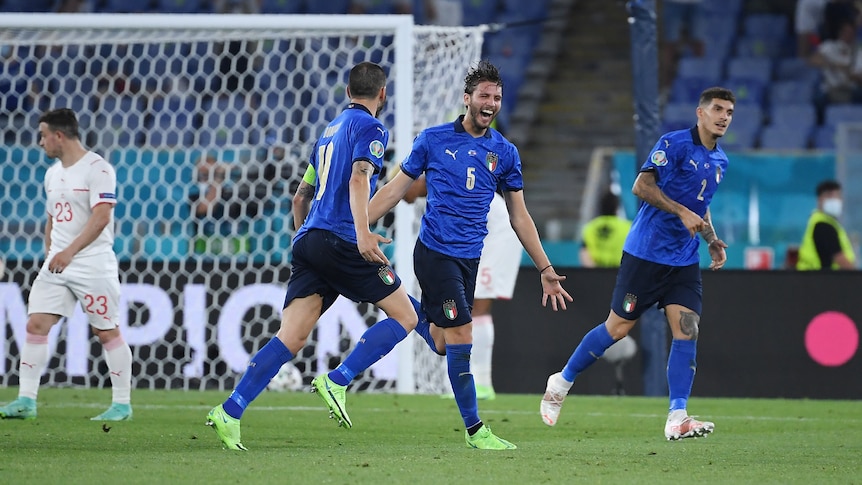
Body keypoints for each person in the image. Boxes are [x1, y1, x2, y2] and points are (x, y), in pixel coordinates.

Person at [206, 62, 423, 451]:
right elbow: (360, 177)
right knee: (406, 315)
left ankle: (230, 410)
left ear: (346, 91)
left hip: (309, 239)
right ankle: (338, 379)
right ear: (383, 94)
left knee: (290, 338)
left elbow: (299, 197)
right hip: (341, 238)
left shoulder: (327, 133)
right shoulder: (372, 128)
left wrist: (306, 238)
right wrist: (362, 235)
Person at [366, 60, 573, 450]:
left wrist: (545, 267)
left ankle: (402, 305)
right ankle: (476, 430)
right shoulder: (433, 139)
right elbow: (395, 191)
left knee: (444, 343)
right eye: (484, 95)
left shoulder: (505, 152)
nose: (491, 102)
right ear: (467, 99)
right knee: (464, 333)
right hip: (435, 253)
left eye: (496, 97)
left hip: (469, 259)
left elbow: (520, 216)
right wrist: (359, 227)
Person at [540, 86, 735, 441]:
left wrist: (710, 239)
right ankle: (562, 380)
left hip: (684, 259)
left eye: (729, 112)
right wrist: (680, 211)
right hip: (646, 254)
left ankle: (677, 415)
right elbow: (641, 186)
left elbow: (700, 204)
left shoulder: (720, 161)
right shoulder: (673, 144)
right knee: (617, 329)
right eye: (718, 109)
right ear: (700, 112)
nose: (724, 117)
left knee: (687, 328)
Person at [0, 108, 133, 421]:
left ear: (59, 135)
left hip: (92, 263)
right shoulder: (53, 173)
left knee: (107, 332)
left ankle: (122, 405)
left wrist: (70, 251)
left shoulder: (98, 169)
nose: (40, 142)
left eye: (43, 135)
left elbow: (102, 217)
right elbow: (51, 218)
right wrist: (51, 251)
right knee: (36, 325)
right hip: (58, 263)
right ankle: (26, 401)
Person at [403, 177, 522, 401]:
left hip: (497, 234)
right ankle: (471, 381)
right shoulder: (439, 186)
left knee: (477, 308)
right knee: (466, 309)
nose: (403, 198)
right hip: (482, 235)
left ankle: (483, 383)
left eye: (402, 189)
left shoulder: (437, 177)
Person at [579, 190, 668, 397]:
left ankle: (594, 383)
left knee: (601, 332)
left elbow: (585, 258)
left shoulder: (589, 229)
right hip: (623, 284)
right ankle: (625, 386)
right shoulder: (627, 227)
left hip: (594, 286)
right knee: (624, 330)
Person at [796, 180, 858, 270]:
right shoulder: (823, 225)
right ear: (819, 199)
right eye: (829, 196)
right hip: (817, 280)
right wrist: (856, 279)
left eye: (838, 196)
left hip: (817, 278)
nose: (834, 200)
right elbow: (839, 258)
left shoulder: (830, 224)